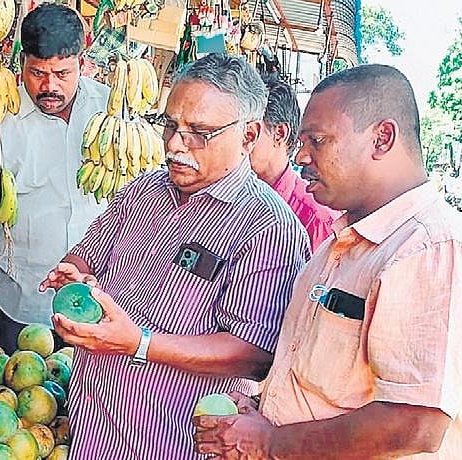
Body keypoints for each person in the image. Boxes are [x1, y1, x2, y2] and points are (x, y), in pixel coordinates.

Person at [193, 64, 462, 459]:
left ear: (382, 138)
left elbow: (414, 423)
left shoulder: (431, 249)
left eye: (317, 141)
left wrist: (269, 442)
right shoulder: (343, 244)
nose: (301, 156)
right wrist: (262, 410)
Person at [40, 54, 309, 458]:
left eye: (199, 132)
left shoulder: (270, 228)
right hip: (93, 426)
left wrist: (139, 344)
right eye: (170, 125)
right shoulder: (144, 191)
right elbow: (87, 254)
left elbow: (254, 353)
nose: (174, 144)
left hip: (172, 442)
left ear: (249, 135)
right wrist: (74, 277)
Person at [0, 4, 110, 352]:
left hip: (103, 301)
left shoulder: (111, 115)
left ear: (83, 62)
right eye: (37, 73)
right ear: (21, 65)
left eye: (62, 73)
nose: (49, 86)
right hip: (21, 300)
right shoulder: (1, 122)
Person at [249, 74, 340, 250]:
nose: (240, 143)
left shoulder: (317, 218)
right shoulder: (226, 194)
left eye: (250, 133)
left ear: (279, 134)